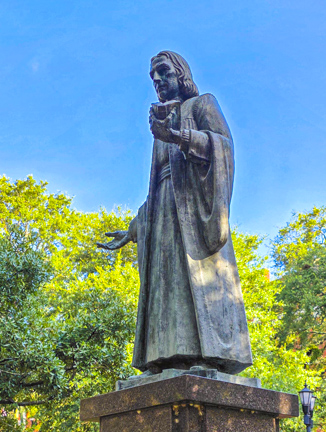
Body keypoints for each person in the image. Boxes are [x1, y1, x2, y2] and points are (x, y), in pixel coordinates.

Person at [97, 51, 252, 377]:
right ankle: (165, 357)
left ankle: (206, 356)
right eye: (152, 76)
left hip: (196, 214)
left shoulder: (201, 105)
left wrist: (179, 137)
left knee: (193, 279)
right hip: (164, 216)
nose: (156, 80)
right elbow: (157, 186)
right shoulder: (160, 129)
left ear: (180, 74)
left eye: (163, 72)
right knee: (166, 285)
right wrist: (134, 227)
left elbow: (223, 148)